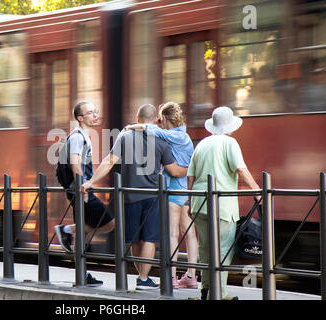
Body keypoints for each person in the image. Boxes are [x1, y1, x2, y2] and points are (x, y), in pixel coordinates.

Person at [81, 104, 188, 290]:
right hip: (152, 196)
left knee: (134, 239)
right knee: (149, 239)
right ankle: (143, 279)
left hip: (129, 196)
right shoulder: (161, 140)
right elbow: (174, 171)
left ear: (138, 119)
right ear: (155, 120)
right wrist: (192, 169)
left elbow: (109, 161)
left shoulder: (125, 136)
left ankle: (142, 276)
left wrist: (90, 181)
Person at [187, 106, 260, 300]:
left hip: (199, 204)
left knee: (205, 248)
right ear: (230, 126)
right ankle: (219, 293)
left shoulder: (202, 144)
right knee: (223, 249)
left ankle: (205, 288)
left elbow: (190, 176)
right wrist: (258, 191)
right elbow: (241, 170)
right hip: (222, 206)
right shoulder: (230, 143)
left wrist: (189, 202)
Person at [125, 101, 198, 289]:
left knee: (172, 234)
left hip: (173, 190)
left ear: (164, 119)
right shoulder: (185, 136)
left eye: (159, 120)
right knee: (189, 233)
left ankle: (171, 278)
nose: (158, 123)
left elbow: (148, 128)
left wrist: (131, 126)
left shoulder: (167, 134)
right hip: (187, 189)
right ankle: (191, 276)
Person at [54, 100, 115, 287]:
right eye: (90, 113)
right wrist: (82, 188)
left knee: (83, 231)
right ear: (80, 118)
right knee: (109, 223)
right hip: (80, 189)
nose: (95, 115)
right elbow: (75, 163)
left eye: (95, 111)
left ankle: (83, 275)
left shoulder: (83, 136)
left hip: (79, 189)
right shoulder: (78, 137)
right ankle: (67, 229)